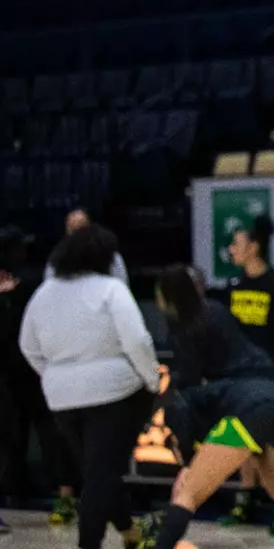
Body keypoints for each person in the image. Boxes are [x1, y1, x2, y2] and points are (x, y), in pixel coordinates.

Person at [145, 265, 274, 549]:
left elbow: (184, 401)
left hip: (247, 406)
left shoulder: (184, 332)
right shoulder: (216, 310)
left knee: (187, 494)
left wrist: (189, 462)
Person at [18, 225, 160, 549]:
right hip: (115, 394)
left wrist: (55, 375)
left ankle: (130, 532)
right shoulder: (111, 289)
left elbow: (28, 346)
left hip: (62, 399)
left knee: (97, 472)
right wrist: (151, 379)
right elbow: (137, 341)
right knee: (100, 475)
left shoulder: (44, 292)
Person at [219, 213, 274, 532]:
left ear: (254, 248)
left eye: (237, 243)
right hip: (238, 376)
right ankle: (246, 499)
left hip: (269, 378)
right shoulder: (233, 286)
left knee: (264, 445)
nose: (231, 249)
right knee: (244, 442)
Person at [0, 223, 78, 526]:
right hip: (19, 374)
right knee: (18, 438)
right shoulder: (33, 285)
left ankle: (60, 494)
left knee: (46, 436)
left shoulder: (34, 285)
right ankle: (19, 491)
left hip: (33, 372)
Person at [50, 211, 128, 285]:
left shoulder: (110, 256)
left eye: (81, 229)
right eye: (74, 230)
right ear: (67, 232)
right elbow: (50, 287)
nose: (78, 236)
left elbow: (121, 286)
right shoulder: (57, 260)